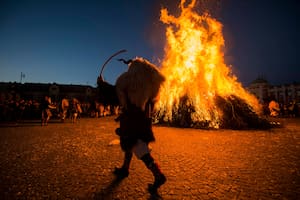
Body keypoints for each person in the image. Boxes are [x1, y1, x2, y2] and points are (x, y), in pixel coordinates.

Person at [113, 57, 166, 192]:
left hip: (134, 125)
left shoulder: (136, 88)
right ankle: (125, 169)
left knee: (141, 151)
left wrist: (102, 85)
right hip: (139, 124)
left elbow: (115, 94)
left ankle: (158, 175)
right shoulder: (149, 89)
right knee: (128, 146)